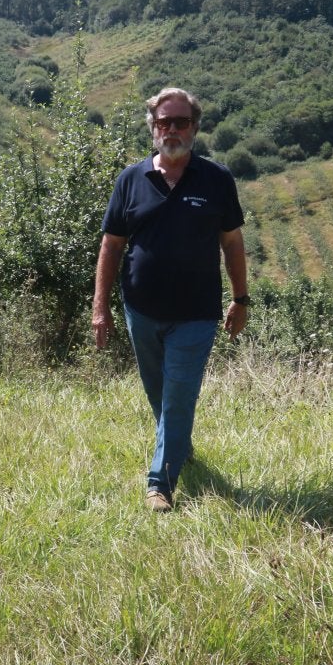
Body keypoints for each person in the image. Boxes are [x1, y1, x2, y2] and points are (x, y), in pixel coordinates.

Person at [92, 87, 249, 512]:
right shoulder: (131, 180)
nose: (173, 129)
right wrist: (100, 307)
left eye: (181, 122)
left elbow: (232, 243)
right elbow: (111, 245)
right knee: (159, 392)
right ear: (153, 127)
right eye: (165, 122)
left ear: (195, 127)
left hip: (196, 313)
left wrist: (241, 299)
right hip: (140, 311)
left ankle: (159, 483)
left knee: (179, 394)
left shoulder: (216, 179)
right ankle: (179, 444)